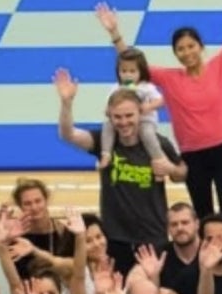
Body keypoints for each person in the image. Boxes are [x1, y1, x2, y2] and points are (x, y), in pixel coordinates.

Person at [92, 0, 222, 220]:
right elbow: (134, 66)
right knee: (203, 216)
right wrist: (115, 34)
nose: (186, 52)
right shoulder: (170, 78)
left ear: (201, 47)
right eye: (180, 49)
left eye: (191, 46)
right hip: (193, 157)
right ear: (176, 54)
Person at [53, 70, 186, 275]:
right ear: (109, 116)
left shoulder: (159, 144)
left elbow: (182, 174)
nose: (123, 122)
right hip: (115, 238)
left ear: (141, 114)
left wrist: (170, 169)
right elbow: (68, 134)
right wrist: (66, 103)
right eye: (117, 117)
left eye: (129, 116)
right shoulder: (103, 142)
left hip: (153, 235)